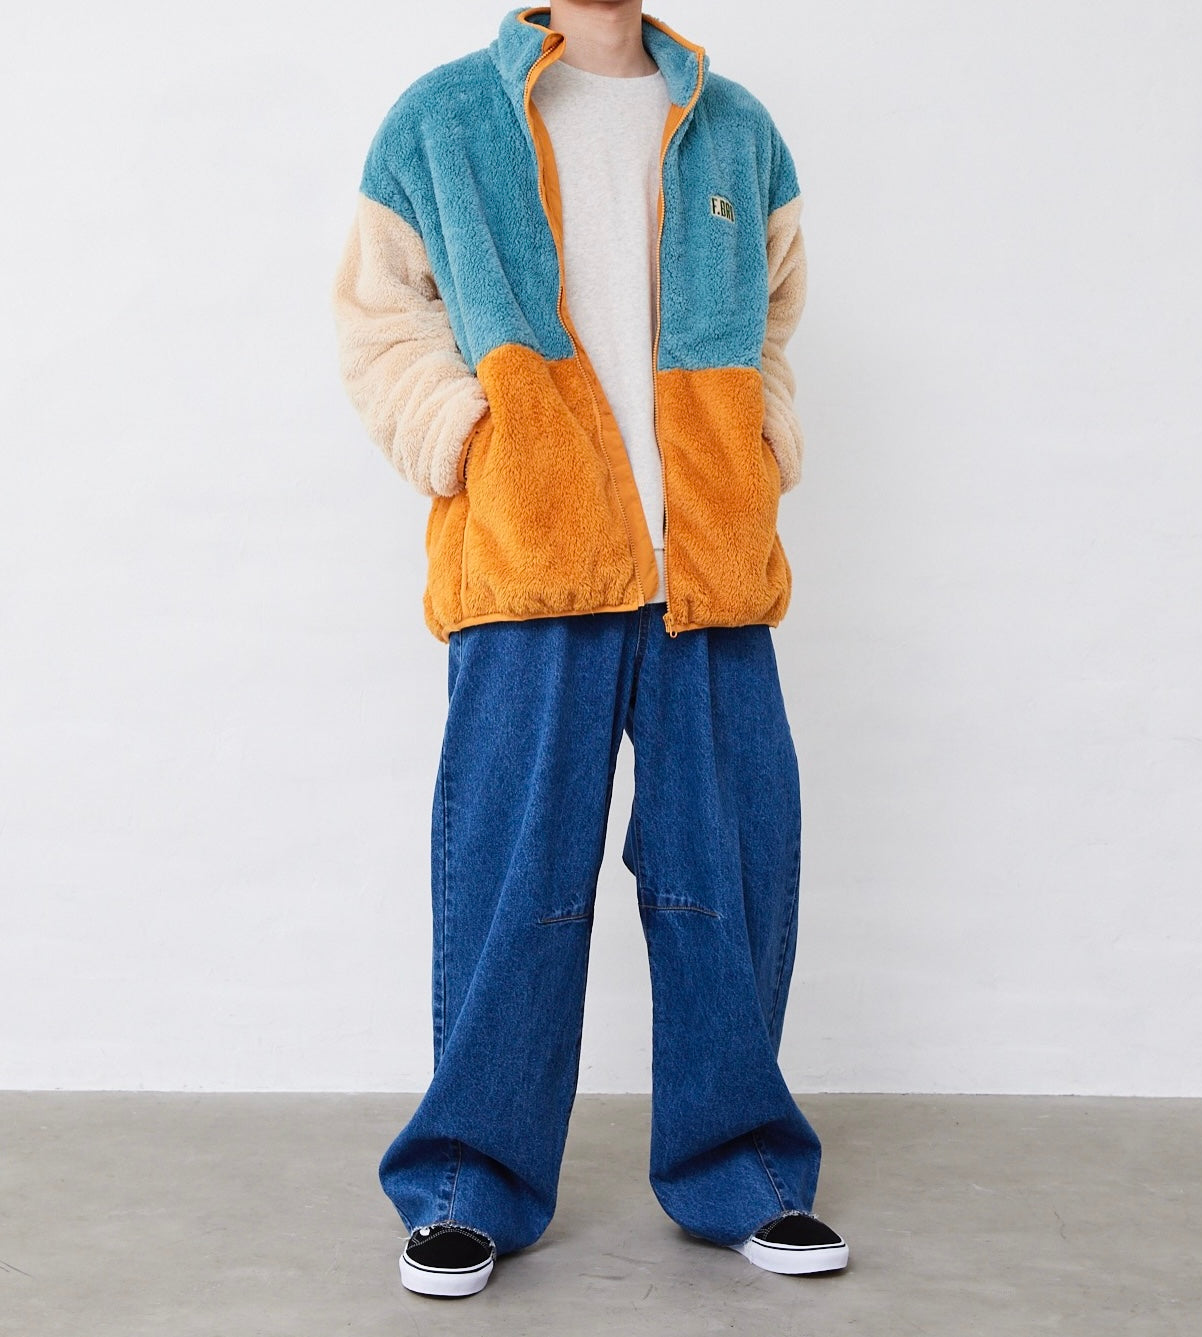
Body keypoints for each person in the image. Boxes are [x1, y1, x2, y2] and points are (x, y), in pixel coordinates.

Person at [331, 1, 848, 1298]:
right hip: (531, 564)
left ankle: (745, 1172)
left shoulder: (736, 129)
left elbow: (772, 323)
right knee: (512, 881)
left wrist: (761, 446)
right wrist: (473, 442)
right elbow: (381, 322)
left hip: (710, 570)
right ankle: (467, 1185)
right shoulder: (446, 117)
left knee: (730, 878)